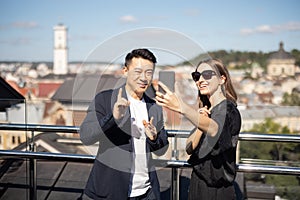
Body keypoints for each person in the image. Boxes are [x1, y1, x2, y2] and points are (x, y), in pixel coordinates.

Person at [80, 48, 169, 200]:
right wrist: (113, 118)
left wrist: (154, 138)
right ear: (125, 71)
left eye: (149, 72)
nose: (143, 78)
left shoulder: (154, 107)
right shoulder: (105, 99)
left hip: (146, 192)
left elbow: (162, 150)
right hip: (109, 190)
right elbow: (86, 136)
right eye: (138, 71)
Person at [155, 58, 241, 200]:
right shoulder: (206, 110)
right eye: (196, 76)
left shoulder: (228, 110)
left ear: (222, 79)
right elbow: (189, 148)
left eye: (207, 74)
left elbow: (215, 130)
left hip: (216, 191)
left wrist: (182, 107)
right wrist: (201, 125)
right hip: (198, 185)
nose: (200, 80)